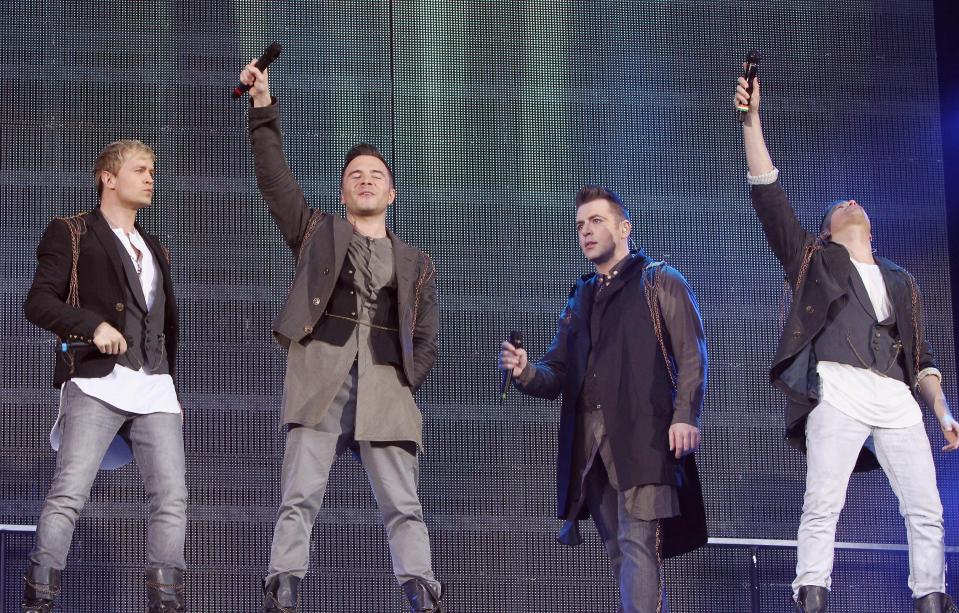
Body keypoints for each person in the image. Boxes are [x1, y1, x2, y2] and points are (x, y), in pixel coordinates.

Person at [736, 71, 959, 613]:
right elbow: (769, 193)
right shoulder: (813, 260)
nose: (853, 203)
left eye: (857, 203)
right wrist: (751, 119)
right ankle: (811, 595)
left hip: (895, 400)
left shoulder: (901, 280)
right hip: (835, 390)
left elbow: (922, 361)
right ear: (829, 229)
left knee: (925, 507)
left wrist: (944, 412)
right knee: (823, 503)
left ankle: (931, 598)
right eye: (841, 205)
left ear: (871, 230)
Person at [238, 60, 444, 613]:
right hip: (322, 371)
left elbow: (426, 333)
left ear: (393, 192)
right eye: (355, 175)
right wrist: (262, 107)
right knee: (300, 492)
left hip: (386, 382)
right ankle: (283, 588)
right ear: (343, 190)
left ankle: (423, 594)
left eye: (376, 174)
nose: (365, 179)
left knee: (403, 502)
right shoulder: (317, 233)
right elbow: (274, 178)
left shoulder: (417, 262)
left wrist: (406, 379)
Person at [499, 185, 708, 613]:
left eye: (596, 221)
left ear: (624, 227)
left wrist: (685, 415)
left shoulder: (660, 280)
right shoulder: (581, 296)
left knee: (637, 545)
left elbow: (692, 354)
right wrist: (524, 370)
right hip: (590, 445)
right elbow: (557, 372)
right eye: (580, 226)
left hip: (643, 437)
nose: (586, 232)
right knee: (620, 550)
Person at [22, 140, 188, 613]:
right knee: (70, 490)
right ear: (108, 178)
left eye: (153, 170)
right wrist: (92, 325)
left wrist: (172, 384)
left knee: (171, 497)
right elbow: (39, 302)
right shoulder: (71, 232)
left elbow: (160, 321)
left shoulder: (155, 247)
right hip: (98, 382)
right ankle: (40, 593)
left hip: (155, 384)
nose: (151, 177)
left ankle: (166, 600)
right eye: (140, 169)